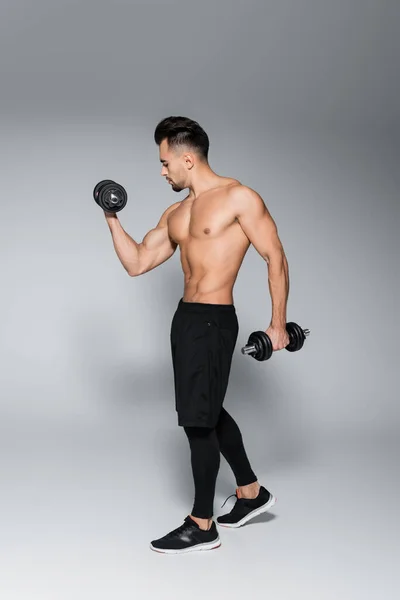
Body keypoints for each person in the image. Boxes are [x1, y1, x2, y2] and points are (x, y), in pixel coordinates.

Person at [104, 116, 290, 554]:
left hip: (214, 318)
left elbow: (275, 256)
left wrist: (277, 322)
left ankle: (202, 523)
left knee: (196, 419)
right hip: (185, 319)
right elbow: (137, 263)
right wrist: (110, 215)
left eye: (166, 162)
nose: (162, 170)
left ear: (188, 158)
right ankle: (250, 492)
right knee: (203, 407)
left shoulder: (239, 198)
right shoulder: (176, 212)